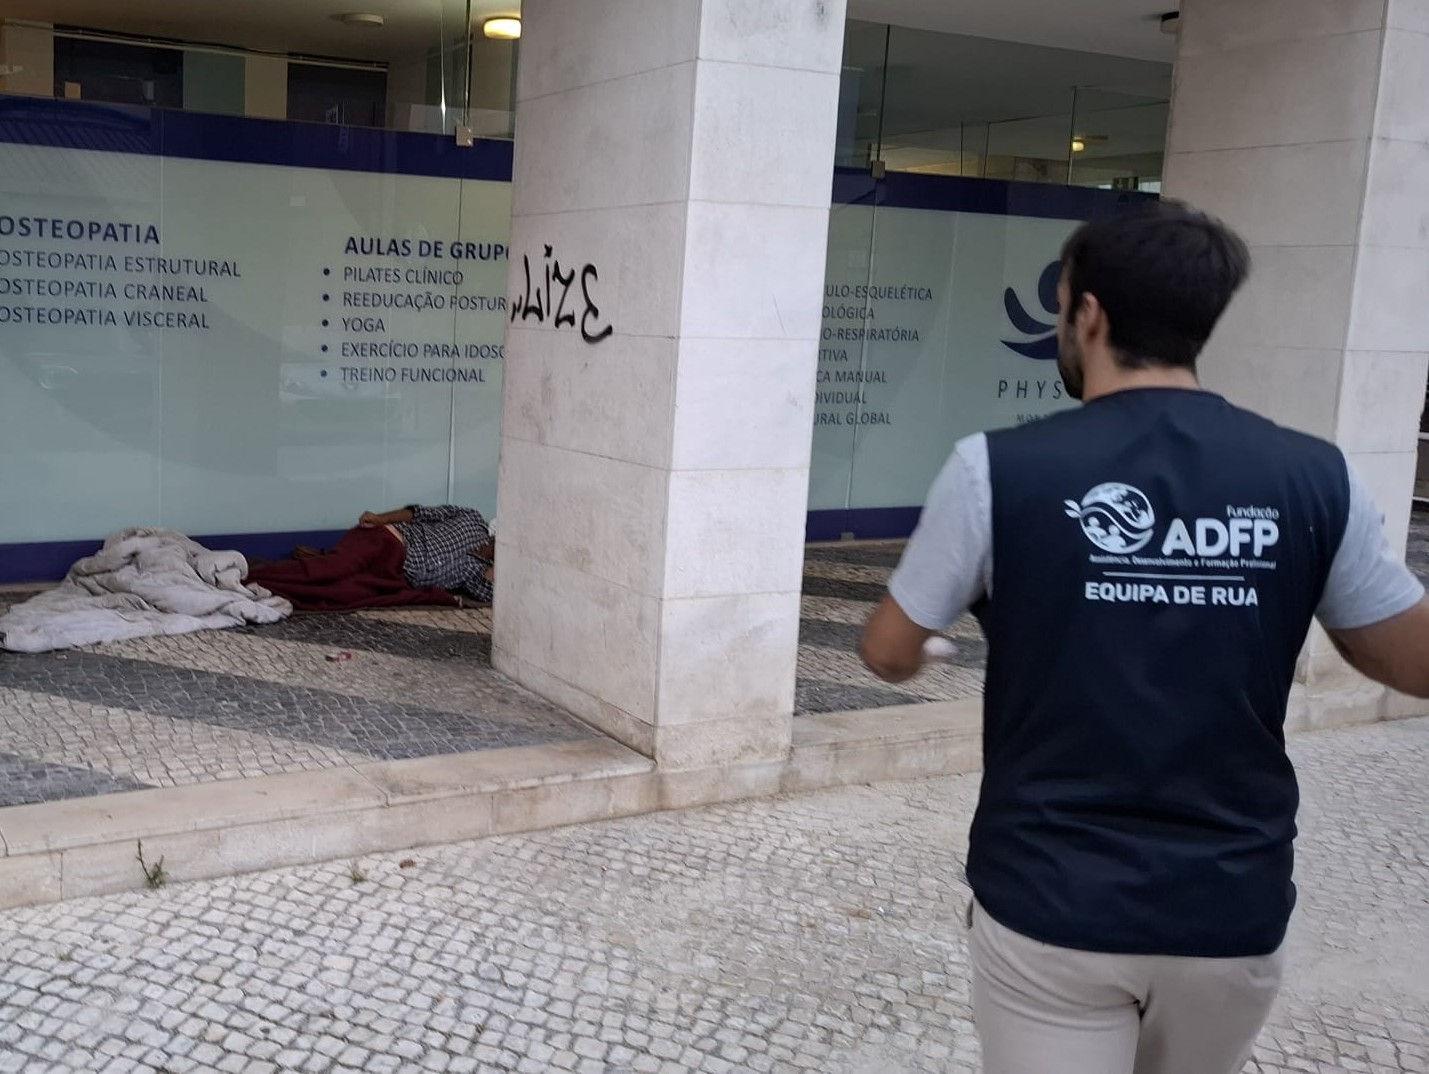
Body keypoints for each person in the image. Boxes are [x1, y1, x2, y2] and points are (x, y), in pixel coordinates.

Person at [858, 199, 1429, 1074]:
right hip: (1227, 905)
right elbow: (1409, 660)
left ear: (1087, 314)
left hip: (1050, 901)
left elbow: (887, 652)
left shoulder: (996, 470)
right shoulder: (1315, 476)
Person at [248, 504, 494, 612]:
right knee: (333, 568)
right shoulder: (471, 519)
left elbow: (485, 593)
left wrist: (500, 562)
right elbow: (419, 513)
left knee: (340, 593)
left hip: (394, 576)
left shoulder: (481, 571)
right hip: (389, 541)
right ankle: (250, 576)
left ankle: (266, 586)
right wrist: (381, 518)